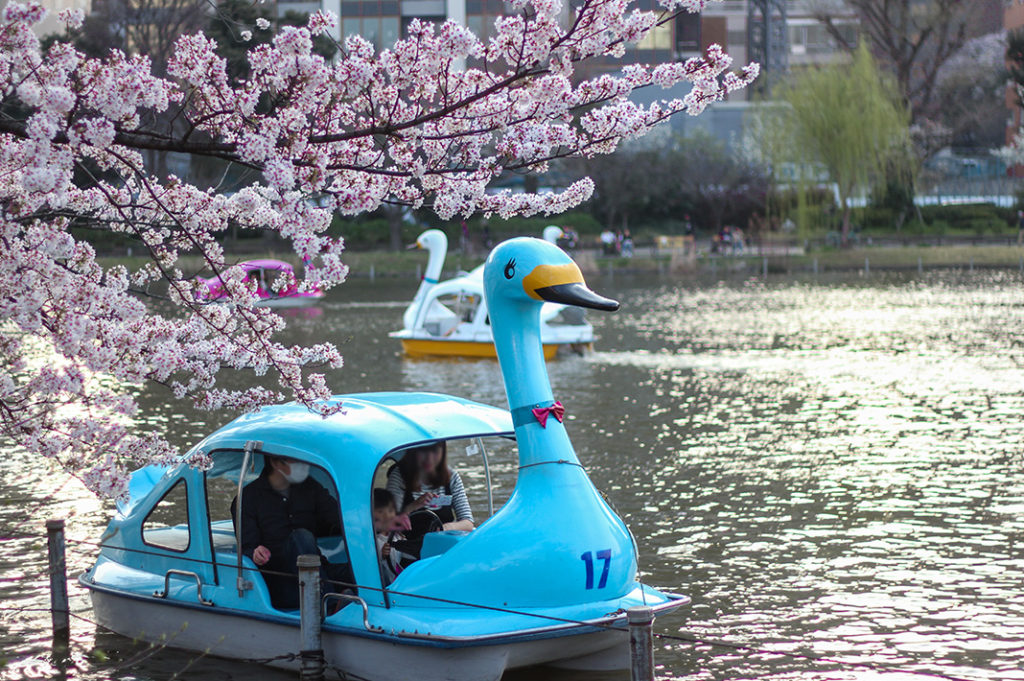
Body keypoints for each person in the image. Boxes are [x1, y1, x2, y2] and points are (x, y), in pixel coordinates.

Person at [236, 455, 351, 610]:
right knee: (301, 536)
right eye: (297, 460)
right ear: (276, 462)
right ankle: (328, 605)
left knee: (359, 574)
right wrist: (256, 553)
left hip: (318, 567)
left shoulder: (311, 488)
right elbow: (247, 546)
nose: (304, 464)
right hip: (280, 579)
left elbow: (339, 518)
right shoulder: (248, 498)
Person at [387, 441, 474, 532]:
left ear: (443, 452)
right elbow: (389, 522)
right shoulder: (399, 475)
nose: (429, 458)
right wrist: (413, 506)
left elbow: (468, 523)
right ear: (413, 451)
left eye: (435, 451)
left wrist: (444, 528)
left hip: (443, 540)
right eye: (423, 451)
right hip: (408, 542)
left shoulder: (452, 477)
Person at [373, 489, 414, 585]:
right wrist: (381, 555)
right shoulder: (373, 540)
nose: (387, 516)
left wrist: (405, 544)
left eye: (391, 510)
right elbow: (369, 564)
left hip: (395, 581)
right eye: (380, 512)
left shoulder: (396, 537)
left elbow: (410, 555)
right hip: (380, 583)